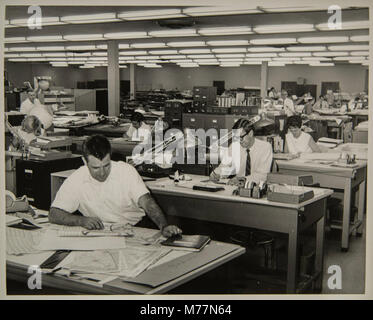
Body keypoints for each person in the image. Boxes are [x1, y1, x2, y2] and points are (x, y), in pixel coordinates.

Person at [49, 134, 182, 237]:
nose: (102, 173)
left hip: (135, 227)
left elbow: (147, 202)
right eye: (95, 168)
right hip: (101, 232)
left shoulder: (125, 171)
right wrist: (81, 221)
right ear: (84, 161)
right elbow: (54, 214)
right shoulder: (77, 178)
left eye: (106, 166)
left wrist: (164, 226)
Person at [210, 118, 273, 185]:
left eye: (241, 137)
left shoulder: (265, 148)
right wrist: (217, 173)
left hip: (257, 187)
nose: (239, 140)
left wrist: (243, 179)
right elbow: (225, 166)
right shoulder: (234, 146)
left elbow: (262, 175)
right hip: (237, 186)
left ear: (250, 133)